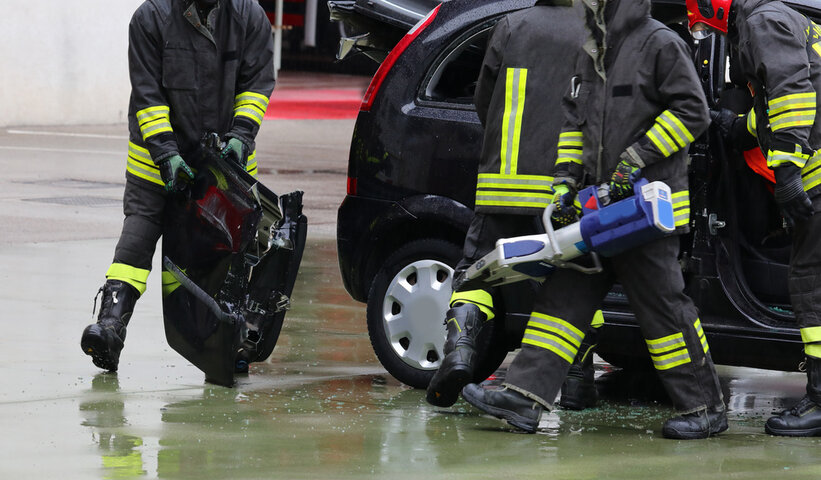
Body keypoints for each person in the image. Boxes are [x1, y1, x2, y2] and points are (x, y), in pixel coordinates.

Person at [461, 0, 728, 440]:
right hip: (600, 211)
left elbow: (692, 112)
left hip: (645, 211)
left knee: (664, 311)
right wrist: (565, 181)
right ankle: (524, 397)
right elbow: (574, 122)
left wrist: (637, 158)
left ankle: (703, 407)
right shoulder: (593, 50)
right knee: (563, 299)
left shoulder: (660, 43)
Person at [424, 0, 602, 411]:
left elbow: (485, 100)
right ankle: (577, 380)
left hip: (502, 184)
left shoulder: (511, 25)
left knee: (476, 277)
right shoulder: (596, 32)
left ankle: (458, 357)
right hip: (566, 190)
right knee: (574, 283)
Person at [80, 0, 275, 372]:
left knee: (222, 260)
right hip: (156, 165)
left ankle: (227, 344)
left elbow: (256, 85)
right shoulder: (150, 18)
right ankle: (110, 327)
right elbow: (147, 95)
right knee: (136, 243)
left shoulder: (250, 17)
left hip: (224, 166)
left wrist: (241, 136)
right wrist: (166, 154)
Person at [687, 0, 821, 437]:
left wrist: (785, 174)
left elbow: (793, 95)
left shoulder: (764, 21)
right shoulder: (779, 17)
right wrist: (732, 126)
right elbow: (774, 105)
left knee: (811, 283)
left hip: (815, 175)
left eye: (707, 24)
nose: (710, 33)